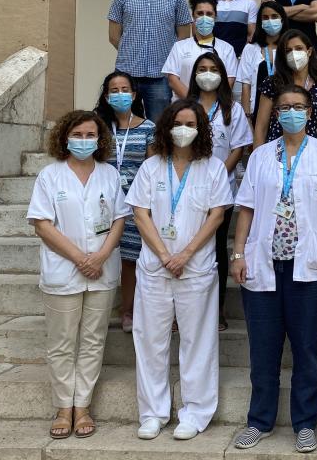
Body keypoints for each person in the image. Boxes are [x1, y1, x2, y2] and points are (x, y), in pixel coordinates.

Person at [231, 85, 317, 454]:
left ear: (310, 113)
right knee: (264, 350)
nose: (291, 113)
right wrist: (238, 253)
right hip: (263, 265)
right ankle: (259, 420)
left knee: (306, 349)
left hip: (310, 267)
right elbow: (247, 207)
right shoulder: (261, 155)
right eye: (284, 107)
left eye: (299, 107)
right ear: (276, 115)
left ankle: (304, 422)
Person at [127, 100, 233, 441]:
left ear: (201, 128)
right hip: (155, 267)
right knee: (150, 340)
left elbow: (216, 216)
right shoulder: (151, 167)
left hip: (196, 268)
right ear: (167, 127)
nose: (183, 129)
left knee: (197, 341)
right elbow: (140, 214)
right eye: (178, 122)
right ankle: (153, 412)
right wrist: (163, 254)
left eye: (191, 123)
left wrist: (185, 254)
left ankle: (195, 411)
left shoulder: (213, 167)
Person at [27, 110, 130, 439]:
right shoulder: (50, 176)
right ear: (64, 137)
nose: (84, 141)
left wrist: (99, 257)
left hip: (102, 268)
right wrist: (79, 258)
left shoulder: (109, 175)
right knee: (61, 342)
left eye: (90, 135)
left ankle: (82, 405)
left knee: (92, 340)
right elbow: (42, 223)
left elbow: (119, 220)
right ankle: (63, 406)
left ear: (99, 140)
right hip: (63, 269)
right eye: (78, 135)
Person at [186, 52, 253, 331]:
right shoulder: (185, 106)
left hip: (221, 187)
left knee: (216, 248)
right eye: (202, 69)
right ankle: (188, 307)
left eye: (213, 68)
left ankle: (218, 308)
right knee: (190, 243)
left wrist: (218, 174)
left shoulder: (232, 109)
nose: (207, 73)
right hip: (188, 187)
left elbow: (238, 147)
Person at [93, 71, 156, 333]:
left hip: (134, 204)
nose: (119, 95)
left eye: (124, 89)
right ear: (106, 96)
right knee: (100, 254)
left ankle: (128, 311)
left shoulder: (148, 128)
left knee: (131, 259)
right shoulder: (97, 127)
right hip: (101, 203)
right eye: (114, 90)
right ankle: (96, 312)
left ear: (134, 94)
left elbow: (153, 167)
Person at [108, 0, 192, 121]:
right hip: (127, 73)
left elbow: (184, 37)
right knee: (123, 122)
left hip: (161, 76)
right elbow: (114, 36)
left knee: (159, 125)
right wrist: (131, 53)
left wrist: (170, 64)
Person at [254, 29, 317, 145]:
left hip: (310, 153)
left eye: (298, 48)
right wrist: (258, 158)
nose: (293, 54)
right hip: (274, 152)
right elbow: (260, 127)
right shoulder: (272, 83)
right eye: (288, 50)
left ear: (309, 51)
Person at [162, 0, 239, 101]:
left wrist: (211, 105)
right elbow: (173, 80)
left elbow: (229, 81)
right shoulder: (179, 47)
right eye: (200, 13)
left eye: (209, 14)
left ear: (215, 17)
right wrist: (194, 103)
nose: (204, 17)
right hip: (184, 107)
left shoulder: (227, 49)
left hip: (216, 110)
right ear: (193, 16)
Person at [238, 1, 288, 120]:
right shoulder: (250, 48)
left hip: (286, 113)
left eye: (274, 16)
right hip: (256, 112)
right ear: (260, 22)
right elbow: (246, 85)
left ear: (282, 19)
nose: (270, 20)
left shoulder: (289, 47)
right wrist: (247, 117)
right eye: (265, 17)